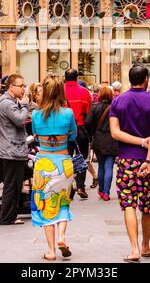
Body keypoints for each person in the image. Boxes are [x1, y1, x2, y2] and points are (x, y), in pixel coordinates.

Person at [110, 64, 150, 262]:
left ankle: (134, 249)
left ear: (130, 80)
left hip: (125, 160)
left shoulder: (119, 102)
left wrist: (136, 141)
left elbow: (115, 133)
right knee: (148, 204)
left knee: (129, 204)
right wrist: (148, 157)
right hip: (146, 160)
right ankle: (146, 245)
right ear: (146, 79)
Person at [31, 74, 77, 261]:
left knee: (45, 205)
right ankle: (62, 236)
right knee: (63, 201)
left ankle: (50, 251)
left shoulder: (35, 114)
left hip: (43, 163)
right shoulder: (68, 113)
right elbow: (73, 136)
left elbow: (34, 133)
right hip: (63, 161)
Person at [0, 74, 30, 225]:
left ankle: (10, 213)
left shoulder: (7, 101)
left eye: (24, 86)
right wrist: (26, 105)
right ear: (11, 87)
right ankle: (7, 217)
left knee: (16, 182)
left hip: (10, 149)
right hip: (11, 150)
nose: (24, 89)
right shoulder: (7, 103)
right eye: (21, 86)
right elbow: (20, 119)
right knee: (11, 185)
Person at [86, 86, 119, 201]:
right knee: (109, 166)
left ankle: (101, 190)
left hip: (99, 139)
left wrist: (92, 134)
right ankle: (106, 192)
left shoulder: (95, 107)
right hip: (112, 139)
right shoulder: (115, 107)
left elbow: (87, 122)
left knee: (101, 165)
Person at [64, 68, 92, 199]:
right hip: (80, 128)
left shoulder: (61, 91)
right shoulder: (84, 92)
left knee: (66, 158)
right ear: (77, 78)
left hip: (64, 130)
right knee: (82, 156)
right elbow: (88, 112)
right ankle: (80, 185)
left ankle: (68, 188)